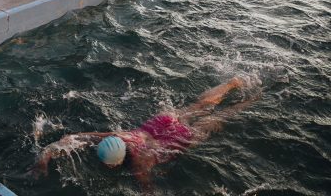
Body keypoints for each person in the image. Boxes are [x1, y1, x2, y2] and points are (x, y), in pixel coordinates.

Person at [34, 77, 259, 192]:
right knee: (198, 106)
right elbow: (75, 138)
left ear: (117, 162)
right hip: (160, 123)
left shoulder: (140, 163)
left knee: (213, 122)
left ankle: (248, 102)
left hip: (177, 139)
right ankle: (232, 83)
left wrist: (44, 157)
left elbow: (148, 190)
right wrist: (45, 157)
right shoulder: (118, 136)